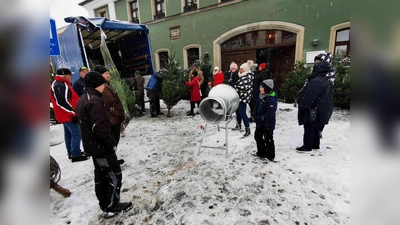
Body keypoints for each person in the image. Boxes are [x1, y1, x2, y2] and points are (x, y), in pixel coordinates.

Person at [75, 71, 132, 218]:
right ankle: (112, 204)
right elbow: (99, 127)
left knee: (101, 175)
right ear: (96, 85)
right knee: (113, 174)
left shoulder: (83, 99)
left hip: (93, 146)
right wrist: (110, 143)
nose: (104, 87)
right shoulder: (94, 101)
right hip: (101, 147)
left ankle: (105, 204)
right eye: (102, 84)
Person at [296, 53, 335, 153]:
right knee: (315, 126)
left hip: (313, 108)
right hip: (320, 108)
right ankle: (315, 144)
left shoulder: (317, 81)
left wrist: (303, 106)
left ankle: (307, 146)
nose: (313, 68)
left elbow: (309, 97)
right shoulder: (326, 79)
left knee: (309, 126)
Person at [50, 68, 88, 162]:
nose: (71, 77)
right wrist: (72, 113)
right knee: (76, 133)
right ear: (65, 75)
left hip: (64, 114)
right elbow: (61, 102)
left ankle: (72, 152)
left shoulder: (60, 84)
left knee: (69, 134)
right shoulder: (59, 85)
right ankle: (75, 154)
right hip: (67, 115)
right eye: (70, 75)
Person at [94, 65, 125, 147]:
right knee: (113, 141)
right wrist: (118, 113)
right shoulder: (103, 87)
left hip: (112, 119)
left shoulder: (105, 85)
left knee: (113, 141)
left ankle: (113, 158)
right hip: (112, 120)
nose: (109, 75)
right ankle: (112, 158)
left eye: (108, 73)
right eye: (106, 73)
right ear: (100, 75)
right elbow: (108, 104)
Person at [250, 79, 277, 161]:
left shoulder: (271, 100)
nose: (260, 88)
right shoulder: (261, 97)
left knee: (268, 139)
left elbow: (269, 115)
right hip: (260, 123)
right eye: (260, 86)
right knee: (257, 136)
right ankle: (261, 151)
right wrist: (254, 115)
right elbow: (256, 107)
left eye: (262, 87)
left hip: (267, 124)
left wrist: (259, 118)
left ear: (267, 88)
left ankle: (270, 155)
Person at [232, 62, 254, 138]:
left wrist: (233, 85)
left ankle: (247, 129)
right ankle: (238, 125)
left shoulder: (247, 78)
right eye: (240, 68)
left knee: (242, 113)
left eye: (241, 69)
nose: (240, 70)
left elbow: (241, 87)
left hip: (243, 98)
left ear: (245, 70)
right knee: (237, 111)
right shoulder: (243, 76)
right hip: (239, 98)